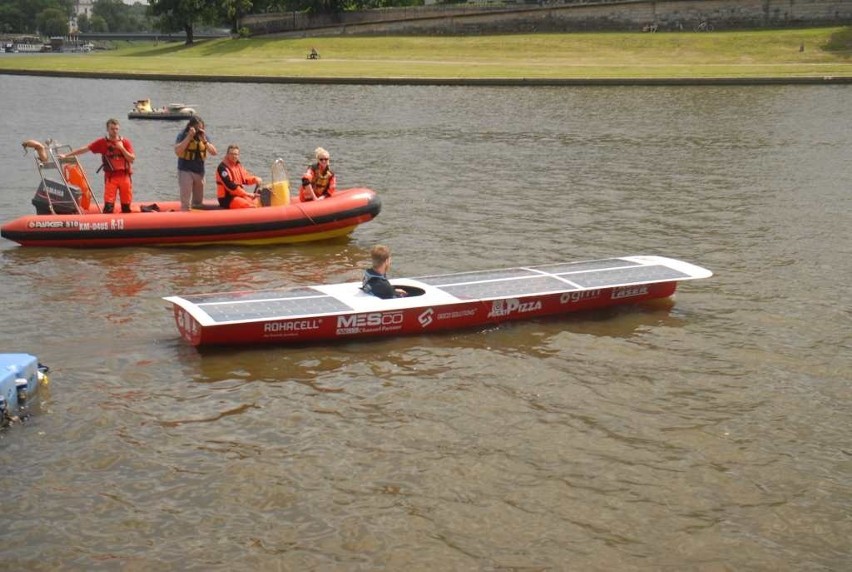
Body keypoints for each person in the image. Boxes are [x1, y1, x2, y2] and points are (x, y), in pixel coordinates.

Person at [60, 118, 135, 213]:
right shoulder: (102, 143)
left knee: (126, 207)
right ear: (107, 129)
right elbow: (85, 149)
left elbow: (132, 159)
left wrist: (121, 148)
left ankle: (127, 224)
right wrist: (66, 155)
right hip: (111, 178)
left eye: (116, 129)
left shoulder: (125, 142)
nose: (115, 131)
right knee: (108, 207)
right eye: (112, 129)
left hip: (125, 177)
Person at [175, 115, 217, 211]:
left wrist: (205, 142)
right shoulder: (183, 135)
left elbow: (214, 152)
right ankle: (184, 216)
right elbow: (177, 151)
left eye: (201, 128)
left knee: (198, 203)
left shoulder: (204, 137)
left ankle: (197, 221)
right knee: (186, 202)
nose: (199, 130)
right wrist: (189, 137)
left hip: (200, 172)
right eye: (197, 128)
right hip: (185, 170)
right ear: (191, 127)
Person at [215, 145, 263, 209]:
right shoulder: (222, 168)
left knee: (256, 203)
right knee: (249, 206)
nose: (234, 156)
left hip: (238, 194)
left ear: (238, 155)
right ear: (227, 155)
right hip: (227, 198)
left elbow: (245, 178)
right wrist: (246, 194)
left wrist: (255, 179)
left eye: (235, 154)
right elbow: (230, 186)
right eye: (231, 154)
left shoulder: (238, 166)